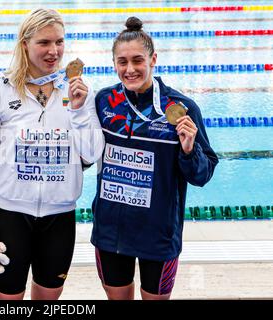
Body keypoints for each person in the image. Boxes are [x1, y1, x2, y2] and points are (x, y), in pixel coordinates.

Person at [0, 8, 105, 300]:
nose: (54, 51)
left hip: (59, 216)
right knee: (9, 299)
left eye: (59, 42)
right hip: (10, 215)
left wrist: (80, 110)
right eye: (44, 43)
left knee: (49, 297)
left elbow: (93, 153)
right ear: (25, 44)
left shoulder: (78, 90)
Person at [92, 17, 219, 300]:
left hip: (158, 234)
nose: (130, 69)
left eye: (138, 60)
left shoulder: (181, 107)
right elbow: (85, 155)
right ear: (114, 63)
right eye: (122, 62)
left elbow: (202, 174)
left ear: (153, 59)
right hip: (111, 231)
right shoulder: (103, 101)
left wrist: (189, 149)